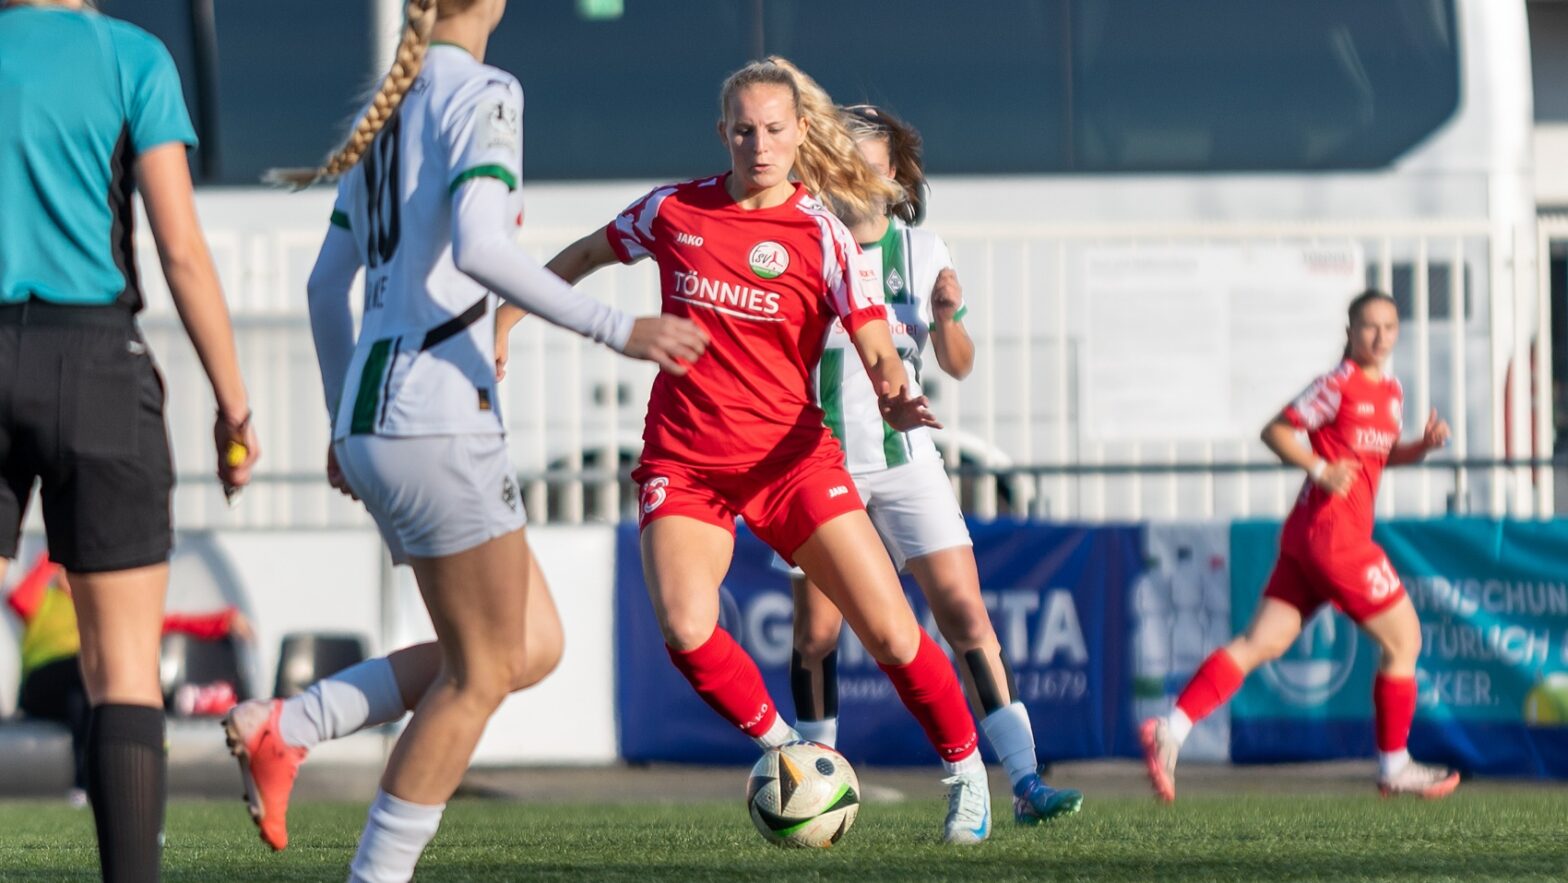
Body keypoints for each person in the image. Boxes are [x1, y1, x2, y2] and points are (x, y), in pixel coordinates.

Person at [221, 1, 705, 879]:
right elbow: (483, 247)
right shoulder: (484, 90)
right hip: (436, 412)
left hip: (382, 415)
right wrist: (617, 327)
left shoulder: (392, 102)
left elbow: (326, 287)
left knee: (529, 643)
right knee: (482, 673)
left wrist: (342, 421)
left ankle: (289, 726)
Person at [494, 56, 996, 845]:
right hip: (686, 463)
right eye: (744, 130)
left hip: (792, 463)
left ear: (799, 134)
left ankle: (968, 775)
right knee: (687, 625)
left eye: (773, 130)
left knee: (895, 632)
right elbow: (585, 256)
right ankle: (788, 750)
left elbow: (871, 336)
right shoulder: (672, 212)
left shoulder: (822, 233)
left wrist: (896, 386)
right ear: (722, 133)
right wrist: (505, 322)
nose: (759, 145)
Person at [0, 1, 259, 879]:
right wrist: (233, 406)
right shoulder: (133, 57)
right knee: (123, 672)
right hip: (98, 362)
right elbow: (180, 249)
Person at [777, 104, 1081, 825]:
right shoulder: (804, 241)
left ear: (895, 178)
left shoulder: (921, 248)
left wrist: (947, 318)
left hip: (905, 456)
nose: (854, 177)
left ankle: (1024, 781)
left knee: (965, 612)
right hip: (820, 460)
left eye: (869, 165)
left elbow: (958, 363)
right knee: (817, 634)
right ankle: (817, 783)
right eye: (841, 162)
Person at [1140, 289, 1460, 802]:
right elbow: (1277, 431)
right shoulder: (1338, 384)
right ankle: (1395, 766)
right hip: (1336, 539)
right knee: (1405, 641)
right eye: (1370, 326)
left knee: (1259, 643)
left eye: (1390, 327)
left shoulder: (1393, 392)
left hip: (1311, 540)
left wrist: (1420, 447)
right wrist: (1319, 467)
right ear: (1350, 331)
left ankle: (1170, 729)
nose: (1380, 337)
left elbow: (1375, 459)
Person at [7, 552, 253, 807]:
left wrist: (223, 621)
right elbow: (18, 599)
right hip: (41, 686)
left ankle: (88, 785)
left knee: (84, 699)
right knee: (93, 671)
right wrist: (55, 551)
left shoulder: (99, 608)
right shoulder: (45, 600)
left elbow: (167, 622)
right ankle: (166, 705)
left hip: (79, 688)